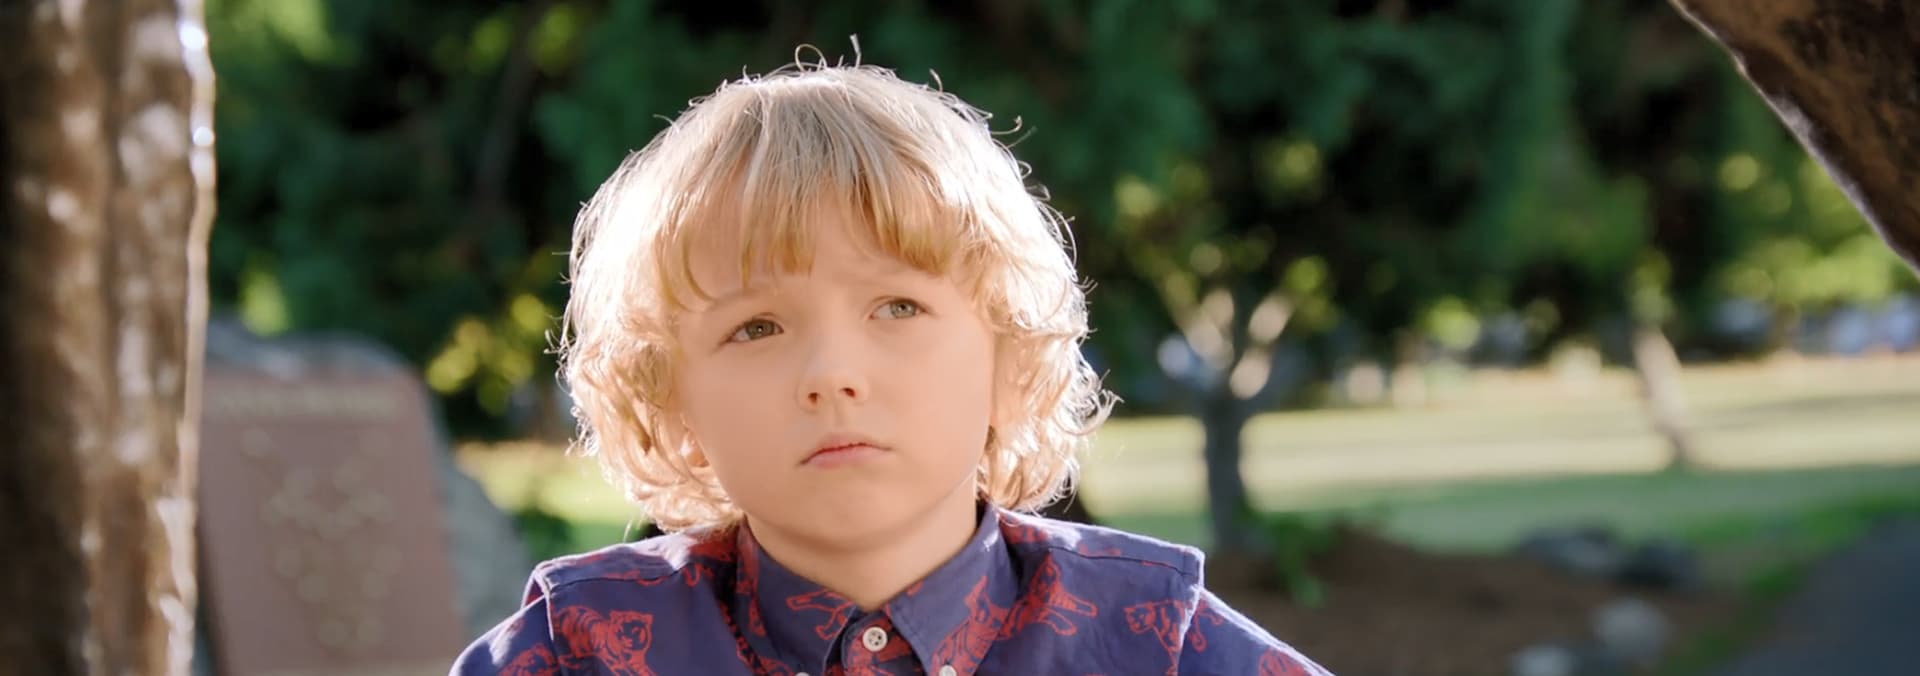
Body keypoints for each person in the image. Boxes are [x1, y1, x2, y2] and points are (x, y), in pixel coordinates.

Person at [451, 54, 1333, 676]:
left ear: (1009, 352)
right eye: (757, 327)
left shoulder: (1158, 647)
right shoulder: (577, 655)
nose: (832, 373)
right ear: (670, 402)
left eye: (898, 307)